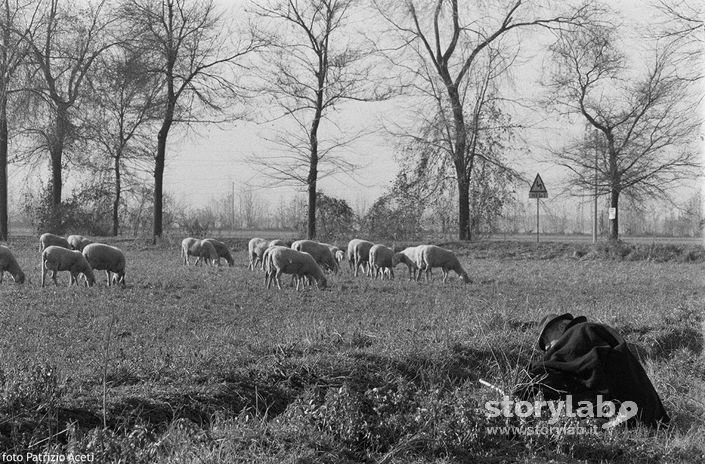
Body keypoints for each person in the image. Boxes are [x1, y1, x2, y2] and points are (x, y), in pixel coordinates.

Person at [514, 313, 669, 427]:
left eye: (548, 341)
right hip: (645, 413)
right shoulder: (589, 333)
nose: (548, 348)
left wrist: (530, 376)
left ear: (561, 326)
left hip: (628, 412)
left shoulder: (582, 332)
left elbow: (557, 364)